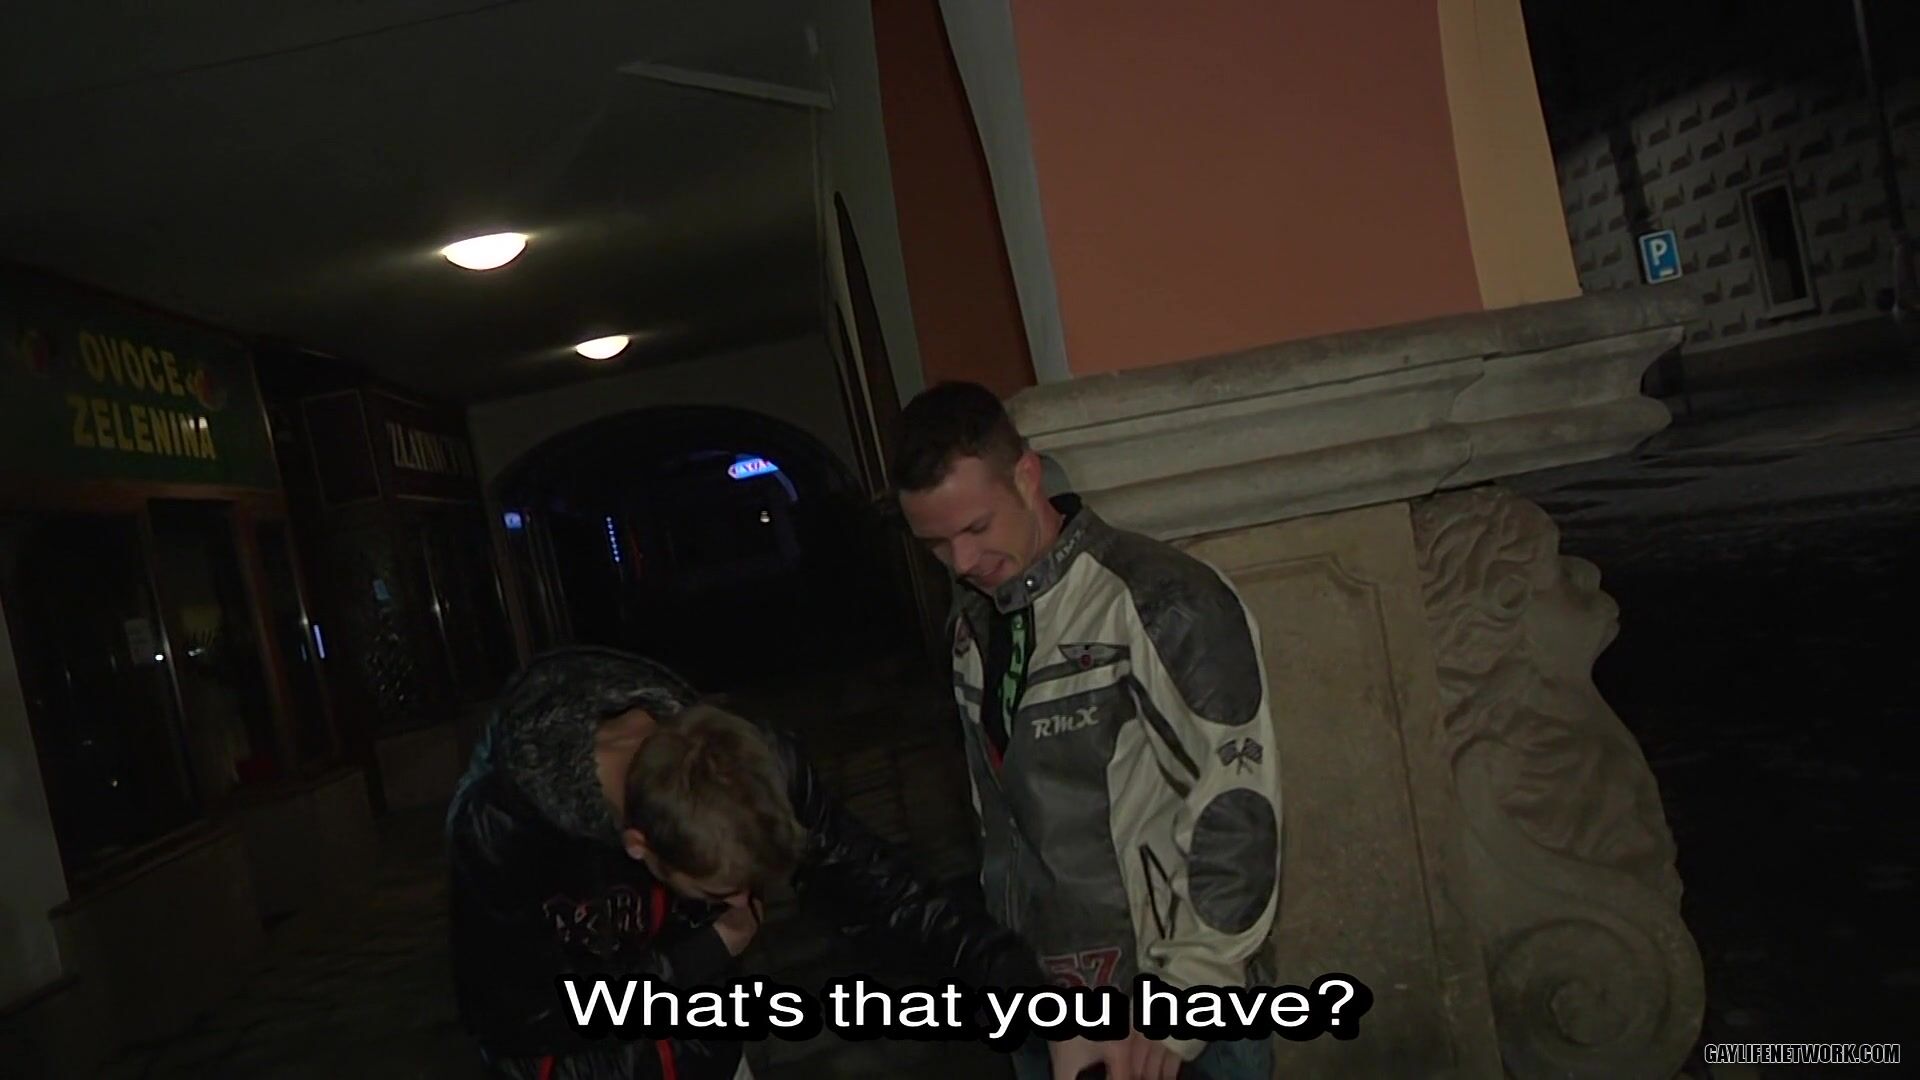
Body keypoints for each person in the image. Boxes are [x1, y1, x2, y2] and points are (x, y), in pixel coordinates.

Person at [892, 382, 1283, 1080]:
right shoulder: (971, 627)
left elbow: (1239, 807)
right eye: (936, 544)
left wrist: (1189, 992)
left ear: (1027, 476)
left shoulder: (1162, 599)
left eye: (976, 528)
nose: (962, 562)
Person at [447, 646, 1046, 1079]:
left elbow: (873, 883)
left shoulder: (747, 764)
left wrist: (1003, 970)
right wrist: (703, 953)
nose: (739, 909)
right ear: (638, 846)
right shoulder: (498, 825)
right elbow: (514, 1018)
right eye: (714, 895)